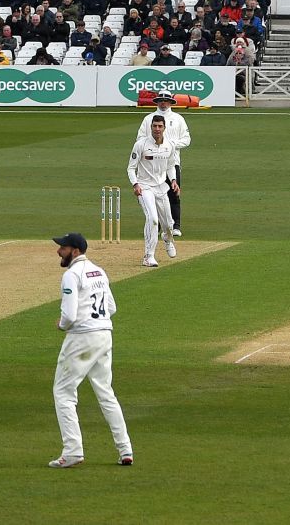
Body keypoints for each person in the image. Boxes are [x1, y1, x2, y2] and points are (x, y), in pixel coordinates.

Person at [47, 232, 133, 469]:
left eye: (63, 248)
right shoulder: (99, 271)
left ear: (75, 251)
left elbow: (69, 315)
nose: (58, 251)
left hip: (82, 338)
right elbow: (112, 307)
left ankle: (73, 450)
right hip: (104, 335)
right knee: (106, 392)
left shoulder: (72, 275)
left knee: (63, 392)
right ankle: (125, 448)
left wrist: (61, 325)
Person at [128, 92, 191, 234]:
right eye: (161, 101)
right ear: (157, 102)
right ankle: (156, 226)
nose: (163, 103)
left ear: (171, 102)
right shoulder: (148, 119)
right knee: (153, 196)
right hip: (150, 164)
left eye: (166, 101)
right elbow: (140, 138)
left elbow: (187, 140)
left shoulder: (178, 119)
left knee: (173, 194)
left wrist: (171, 145)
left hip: (171, 162)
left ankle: (175, 226)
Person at [127, 114, 180, 268]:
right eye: (154, 126)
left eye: (160, 126)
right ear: (151, 127)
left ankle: (168, 239)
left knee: (168, 224)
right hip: (145, 187)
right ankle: (148, 256)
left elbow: (171, 166)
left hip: (161, 187)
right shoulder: (140, 144)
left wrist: (174, 181)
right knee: (152, 219)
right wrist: (135, 184)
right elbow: (131, 168)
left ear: (164, 128)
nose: (157, 129)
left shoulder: (169, 145)